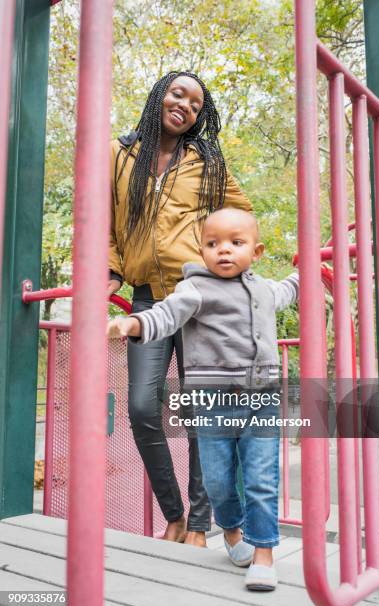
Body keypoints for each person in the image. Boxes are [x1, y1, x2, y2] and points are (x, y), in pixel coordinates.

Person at [107, 208, 299, 590]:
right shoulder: (194, 289)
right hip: (213, 403)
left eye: (235, 243)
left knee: (262, 478)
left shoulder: (262, 289)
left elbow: (289, 291)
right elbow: (164, 315)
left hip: (261, 399)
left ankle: (264, 553)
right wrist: (134, 323)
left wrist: (309, 272)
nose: (223, 251)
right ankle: (230, 530)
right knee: (217, 482)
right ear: (202, 250)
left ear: (256, 251)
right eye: (213, 244)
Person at [108, 71, 252, 547]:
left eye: (195, 103)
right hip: (147, 298)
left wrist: (226, 267)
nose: (185, 106)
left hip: (200, 300)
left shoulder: (207, 162)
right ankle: (173, 511)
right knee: (143, 407)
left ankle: (198, 523)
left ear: (199, 115)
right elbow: (107, 219)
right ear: (160, 96)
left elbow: (240, 216)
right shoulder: (121, 153)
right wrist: (110, 269)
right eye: (178, 94)